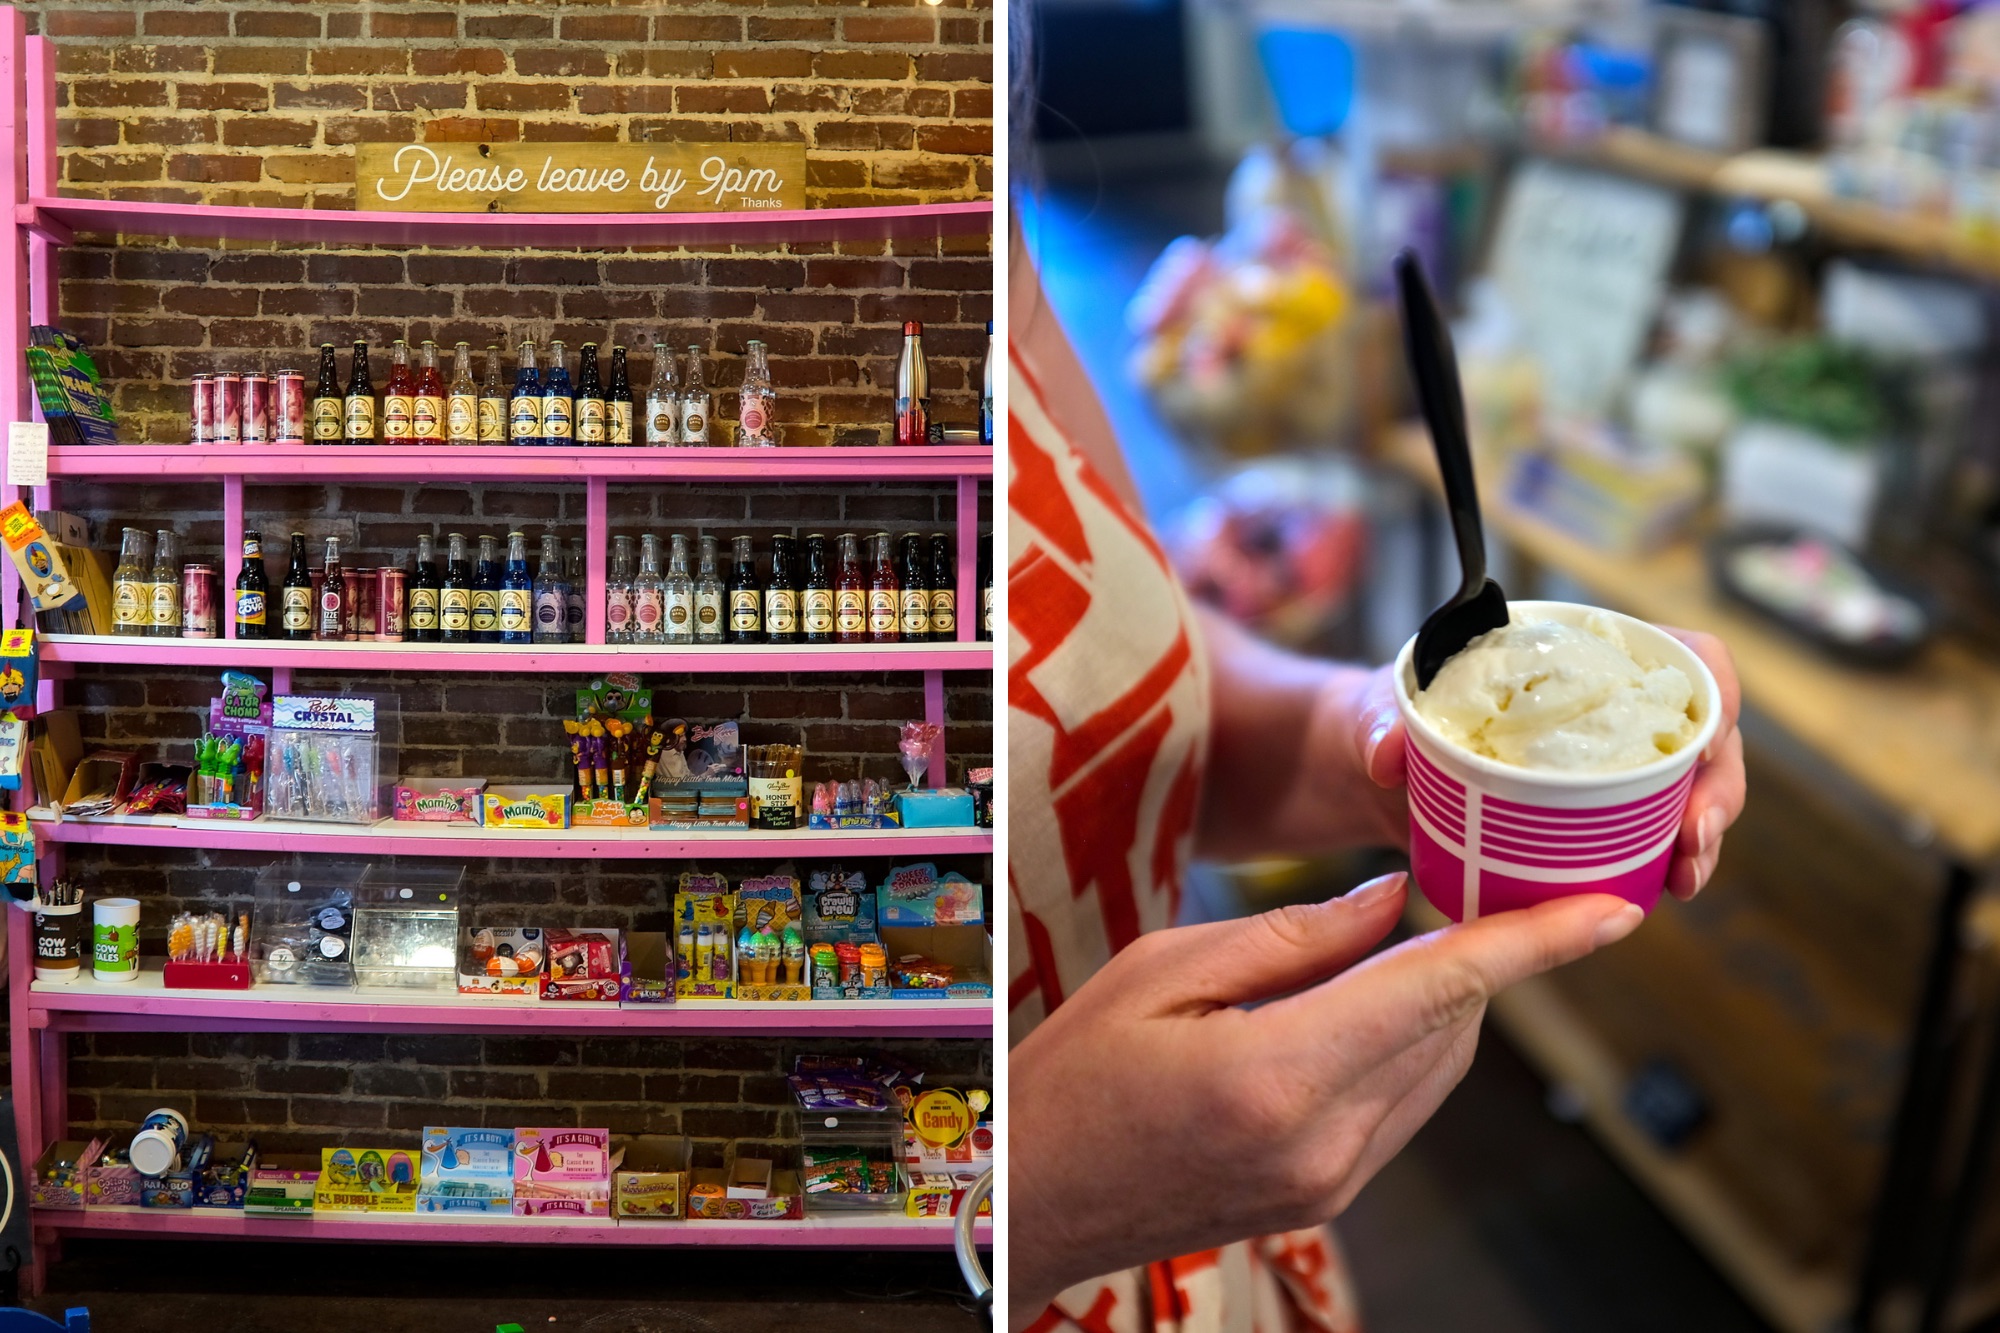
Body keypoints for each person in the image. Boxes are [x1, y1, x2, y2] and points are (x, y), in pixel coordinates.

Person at [1007, 237, 1748, 1331]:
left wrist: (1354, 730)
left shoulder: (992, 252)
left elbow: (1121, 681)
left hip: (1215, 1241)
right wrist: (1032, 1201)